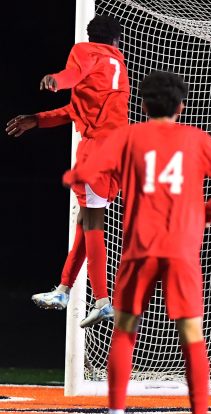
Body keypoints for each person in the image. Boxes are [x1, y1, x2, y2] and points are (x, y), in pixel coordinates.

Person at [63, 70, 211, 414]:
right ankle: (200, 412)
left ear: (143, 104)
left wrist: (77, 176)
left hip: (139, 251)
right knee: (192, 333)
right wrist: (206, 212)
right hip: (182, 250)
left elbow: (86, 172)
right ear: (182, 106)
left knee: (125, 329)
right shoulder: (197, 139)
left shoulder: (128, 137)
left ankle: (116, 410)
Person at [5, 15, 130, 328]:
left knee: (92, 224)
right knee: (84, 222)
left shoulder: (85, 52)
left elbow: (74, 73)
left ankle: (102, 300)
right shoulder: (117, 66)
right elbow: (76, 110)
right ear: (116, 41)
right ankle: (63, 290)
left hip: (96, 153)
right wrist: (39, 118)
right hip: (119, 152)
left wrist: (57, 80)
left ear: (92, 39)